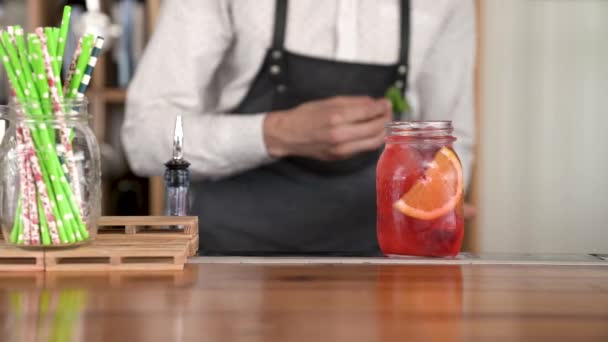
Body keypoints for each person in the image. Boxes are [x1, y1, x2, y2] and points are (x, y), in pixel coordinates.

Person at [122, 0, 475, 255]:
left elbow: (450, 147)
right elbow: (143, 140)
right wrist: (276, 133)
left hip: (377, 264)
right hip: (230, 263)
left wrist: (436, 203)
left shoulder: (448, 6)